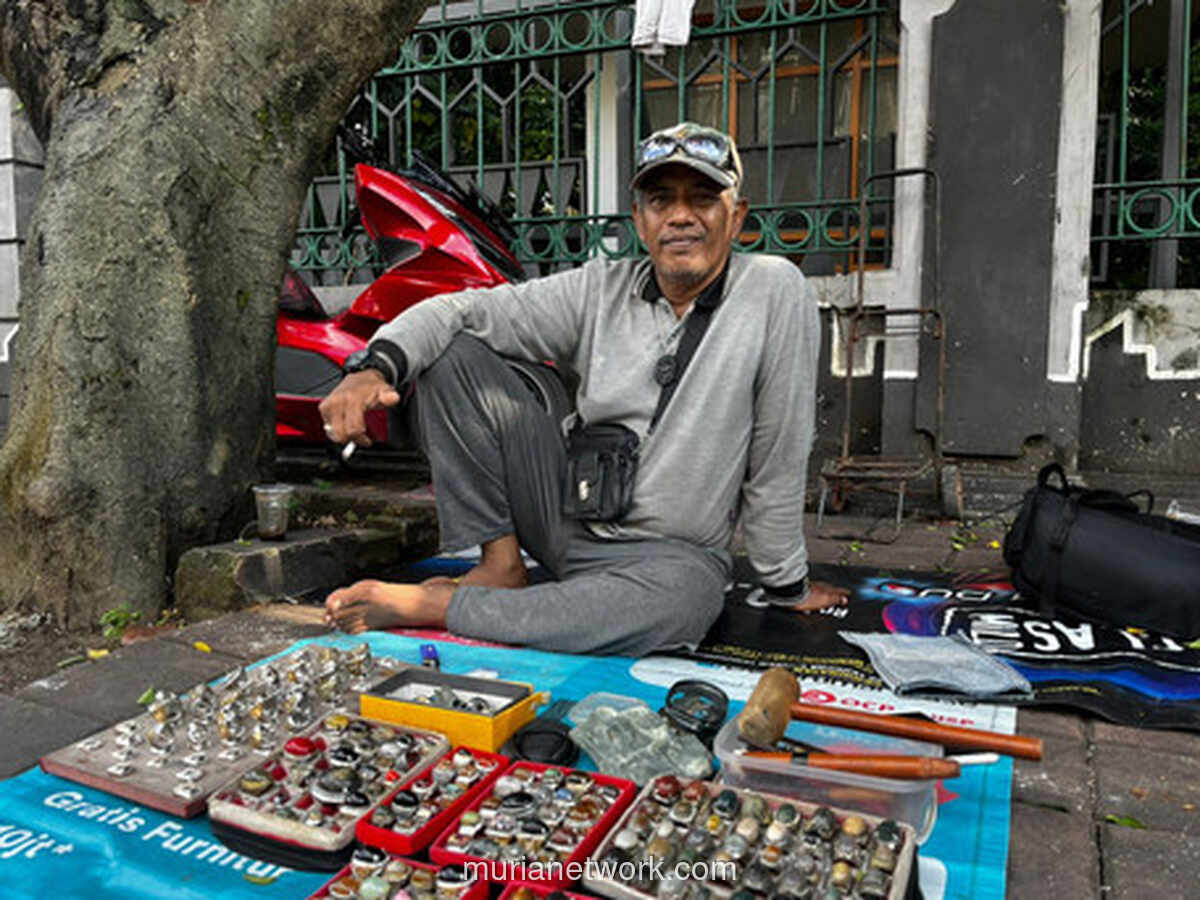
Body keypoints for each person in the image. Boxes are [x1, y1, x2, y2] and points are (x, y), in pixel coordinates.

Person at [319, 121, 849, 655]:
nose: (680, 216)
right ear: (640, 220)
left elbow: (779, 449)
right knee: (452, 350)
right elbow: (460, 308)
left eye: (704, 199)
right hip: (566, 519)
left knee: (687, 604)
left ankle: (440, 607)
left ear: (736, 217)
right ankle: (500, 566)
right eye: (661, 201)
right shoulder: (600, 287)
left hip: (671, 558)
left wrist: (785, 582)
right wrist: (373, 367)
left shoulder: (772, 290)